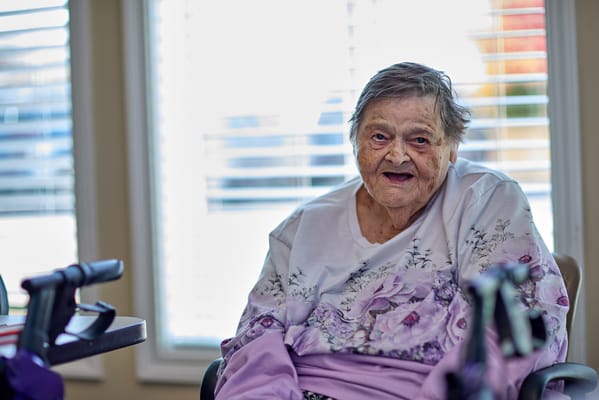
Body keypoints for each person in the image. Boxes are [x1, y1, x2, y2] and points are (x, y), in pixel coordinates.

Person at [214, 62, 569, 399]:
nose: (397, 155)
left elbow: (511, 331)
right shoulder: (302, 228)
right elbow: (258, 341)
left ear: (452, 148)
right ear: (355, 142)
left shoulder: (485, 201)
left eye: (419, 140)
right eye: (379, 137)